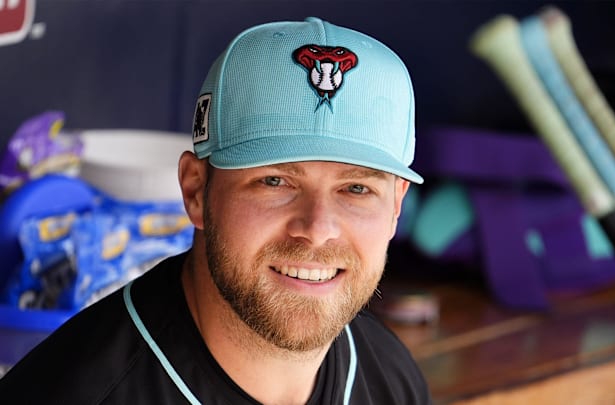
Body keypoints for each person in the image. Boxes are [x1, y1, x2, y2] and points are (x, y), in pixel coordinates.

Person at [0, 16, 431, 404]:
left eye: (356, 188)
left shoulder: (389, 375)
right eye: (275, 181)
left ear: (396, 207)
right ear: (196, 191)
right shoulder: (76, 392)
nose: (317, 229)